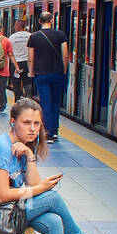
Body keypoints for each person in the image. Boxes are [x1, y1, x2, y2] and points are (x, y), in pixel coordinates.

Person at [0, 98, 116, 234]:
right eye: (26, 123)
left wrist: (30, 156)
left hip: (3, 209)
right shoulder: (2, 147)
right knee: (53, 198)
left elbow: (33, 185)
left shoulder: (23, 146)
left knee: (54, 222)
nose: (32, 129)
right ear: (13, 122)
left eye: (37, 124)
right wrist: (42, 188)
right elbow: (2, 195)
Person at [27, 12, 69, 143]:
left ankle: (47, 132)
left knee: (45, 103)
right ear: (52, 20)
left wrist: (31, 71)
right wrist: (64, 71)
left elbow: (30, 57)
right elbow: (65, 56)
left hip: (41, 74)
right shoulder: (61, 35)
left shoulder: (33, 37)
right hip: (57, 74)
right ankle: (55, 131)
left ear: (39, 21)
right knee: (56, 102)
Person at [8, 19, 33, 102]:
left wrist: (16, 66)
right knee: (28, 83)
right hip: (27, 64)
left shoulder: (12, 37)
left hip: (16, 64)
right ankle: (28, 99)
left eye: (15, 25)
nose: (14, 27)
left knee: (16, 85)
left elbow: (10, 54)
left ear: (18, 26)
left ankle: (17, 101)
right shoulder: (30, 36)